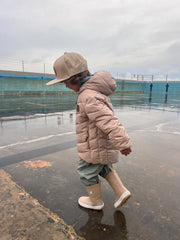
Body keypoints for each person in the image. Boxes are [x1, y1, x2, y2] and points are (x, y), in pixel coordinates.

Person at [46, 52, 132, 210]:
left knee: (85, 170)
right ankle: (121, 191)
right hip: (98, 144)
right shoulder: (93, 93)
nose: (65, 86)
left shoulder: (87, 96)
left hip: (94, 146)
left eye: (65, 82)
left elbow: (108, 121)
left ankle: (95, 202)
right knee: (103, 167)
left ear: (75, 79)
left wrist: (123, 143)